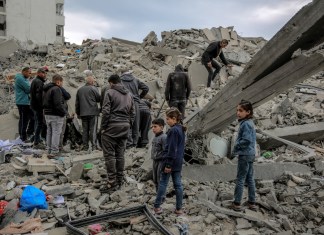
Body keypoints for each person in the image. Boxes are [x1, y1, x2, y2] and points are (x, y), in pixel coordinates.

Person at [101, 74, 135, 192]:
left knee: (109, 154)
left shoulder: (109, 92)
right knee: (120, 154)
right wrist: (128, 124)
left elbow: (105, 111)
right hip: (124, 126)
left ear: (111, 83)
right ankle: (119, 180)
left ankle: (112, 182)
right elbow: (133, 112)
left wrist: (103, 127)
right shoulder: (129, 94)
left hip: (112, 126)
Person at [154, 108, 186, 215]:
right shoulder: (181, 129)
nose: (166, 121)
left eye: (168, 119)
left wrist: (168, 164)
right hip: (178, 162)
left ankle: (157, 206)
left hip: (170, 161)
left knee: (163, 183)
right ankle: (179, 209)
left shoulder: (173, 130)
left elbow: (172, 149)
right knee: (178, 185)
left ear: (174, 119)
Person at [231, 100, 257, 211]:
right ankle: (252, 202)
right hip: (251, 153)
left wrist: (236, 146)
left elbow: (246, 140)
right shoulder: (250, 122)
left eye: (240, 111)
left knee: (240, 179)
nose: (238, 113)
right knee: (250, 178)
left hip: (245, 154)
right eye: (237, 110)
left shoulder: (245, 124)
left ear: (248, 112)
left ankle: (237, 203)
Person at [120, 69, 149, 148]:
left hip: (124, 102)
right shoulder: (135, 80)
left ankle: (128, 144)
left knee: (127, 122)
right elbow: (146, 88)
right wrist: (139, 97)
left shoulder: (120, 80)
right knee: (136, 123)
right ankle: (134, 144)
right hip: (135, 102)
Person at [42, 74, 66, 156]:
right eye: (62, 82)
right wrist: (63, 113)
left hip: (47, 113)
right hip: (55, 114)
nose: (62, 84)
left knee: (49, 132)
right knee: (56, 132)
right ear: (58, 81)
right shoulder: (56, 89)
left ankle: (48, 149)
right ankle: (54, 151)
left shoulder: (46, 89)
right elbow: (57, 104)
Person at [75, 75, 101, 151]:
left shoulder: (80, 90)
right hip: (93, 112)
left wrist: (78, 113)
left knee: (85, 130)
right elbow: (99, 99)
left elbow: (77, 103)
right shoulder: (93, 88)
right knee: (93, 130)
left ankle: (85, 146)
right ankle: (93, 146)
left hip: (83, 113)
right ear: (92, 82)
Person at [30, 67, 48, 148]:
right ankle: (36, 142)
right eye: (43, 73)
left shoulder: (35, 81)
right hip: (38, 106)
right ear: (38, 73)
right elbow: (39, 96)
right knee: (39, 123)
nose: (44, 75)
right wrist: (42, 106)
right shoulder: (39, 82)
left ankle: (35, 139)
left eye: (45, 73)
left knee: (37, 123)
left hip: (34, 105)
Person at [14, 67, 32, 142]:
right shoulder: (20, 79)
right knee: (23, 119)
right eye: (29, 73)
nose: (29, 74)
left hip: (25, 102)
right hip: (22, 102)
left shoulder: (24, 79)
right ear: (24, 72)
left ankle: (25, 135)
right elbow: (28, 89)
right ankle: (22, 137)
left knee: (27, 119)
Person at [151, 118, 167, 193]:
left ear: (161, 127)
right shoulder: (155, 137)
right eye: (152, 127)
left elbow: (166, 151)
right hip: (155, 160)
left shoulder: (164, 137)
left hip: (161, 161)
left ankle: (161, 196)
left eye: (155, 127)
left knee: (159, 179)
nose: (153, 129)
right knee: (155, 179)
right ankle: (158, 194)